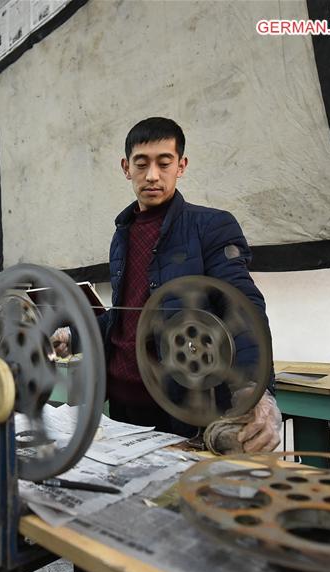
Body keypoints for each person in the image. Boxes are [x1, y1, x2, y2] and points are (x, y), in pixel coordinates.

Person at [59, 117, 281, 453]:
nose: (152, 175)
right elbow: (124, 318)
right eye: (141, 164)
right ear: (125, 167)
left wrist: (254, 389)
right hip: (123, 411)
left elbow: (243, 307)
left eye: (164, 163)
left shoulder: (211, 226)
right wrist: (71, 334)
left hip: (181, 412)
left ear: (181, 166)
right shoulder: (122, 237)